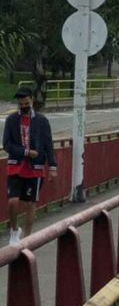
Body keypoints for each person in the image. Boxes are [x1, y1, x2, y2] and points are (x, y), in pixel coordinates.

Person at [4, 88, 58, 245]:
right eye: (21, 105)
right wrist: (26, 152)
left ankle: (27, 238)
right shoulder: (12, 120)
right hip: (16, 165)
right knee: (12, 201)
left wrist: (53, 166)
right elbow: (7, 144)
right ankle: (14, 231)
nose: (24, 107)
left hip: (35, 168)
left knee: (30, 203)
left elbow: (48, 144)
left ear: (32, 101)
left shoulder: (41, 120)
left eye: (26, 104)